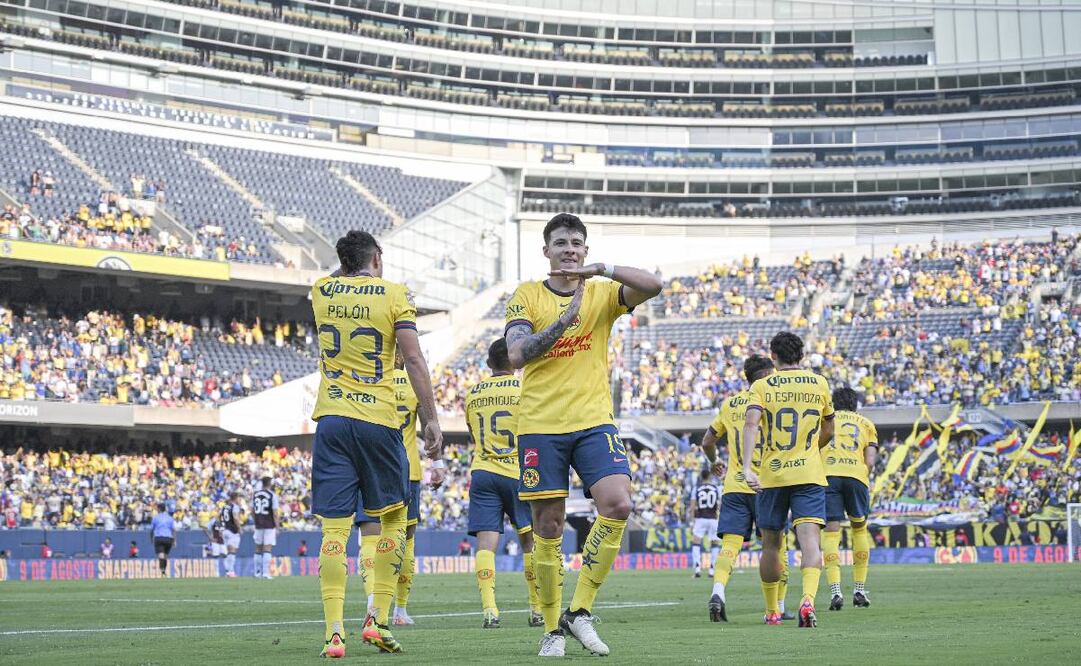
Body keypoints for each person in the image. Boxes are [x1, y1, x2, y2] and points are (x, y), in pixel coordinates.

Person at [504, 213, 662, 657]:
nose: (569, 249)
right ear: (546, 251)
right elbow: (516, 354)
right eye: (560, 242)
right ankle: (553, 629)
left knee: (619, 503)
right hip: (540, 424)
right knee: (548, 527)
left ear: (586, 251)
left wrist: (604, 271)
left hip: (594, 420)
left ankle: (580, 611)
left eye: (576, 242)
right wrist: (563, 321)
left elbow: (653, 285)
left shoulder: (602, 292)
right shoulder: (527, 295)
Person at [310, 230, 442, 658]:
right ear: (378, 258)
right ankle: (377, 620)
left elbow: (337, 275)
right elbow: (415, 359)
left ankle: (333, 633)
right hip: (379, 421)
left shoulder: (322, 290)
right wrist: (430, 418)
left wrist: (347, 267)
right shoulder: (394, 295)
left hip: (331, 418)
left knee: (334, 528)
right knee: (394, 519)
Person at [742, 331, 834, 628]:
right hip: (808, 472)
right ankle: (808, 600)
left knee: (771, 544)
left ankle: (772, 612)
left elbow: (751, 423)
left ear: (774, 356)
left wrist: (747, 467)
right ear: (802, 356)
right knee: (810, 541)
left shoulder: (762, 385)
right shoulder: (819, 383)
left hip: (773, 473)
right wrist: (807, 451)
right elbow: (829, 430)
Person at [702, 355, 795, 622]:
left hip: (734, 485)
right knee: (777, 546)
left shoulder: (730, 404)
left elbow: (708, 441)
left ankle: (718, 591)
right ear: (766, 376)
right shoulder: (774, 399)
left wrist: (715, 461)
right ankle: (778, 606)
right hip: (767, 484)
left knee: (730, 546)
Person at [464, 338, 541, 629]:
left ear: (488, 364)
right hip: (517, 472)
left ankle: (489, 611)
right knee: (529, 543)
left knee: (486, 545)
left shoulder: (473, 393)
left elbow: (472, 433)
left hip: (483, 471)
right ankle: (535, 610)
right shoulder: (525, 389)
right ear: (513, 359)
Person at [821, 387, 877, 611]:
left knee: (832, 533)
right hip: (856, 476)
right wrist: (863, 477)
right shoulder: (866, 424)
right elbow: (870, 461)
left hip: (828, 476)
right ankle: (859, 589)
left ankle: (835, 591)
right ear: (855, 405)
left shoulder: (825, 420)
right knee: (859, 530)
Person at [687, 469, 721, 579]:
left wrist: (692, 521)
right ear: (710, 476)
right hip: (713, 519)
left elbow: (692, 507)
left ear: (701, 477)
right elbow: (719, 506)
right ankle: (712, 570)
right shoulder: (716, 489)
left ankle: (697, 569)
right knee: (715, 543)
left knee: (696, 542)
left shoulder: (696, 489)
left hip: (700, 518)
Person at [252, 476, 279, 579]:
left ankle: (257, 572)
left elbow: (252, 510)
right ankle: (265, 573)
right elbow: (275, 513)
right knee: (267, 548)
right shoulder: (272, 495)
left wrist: (256, 521)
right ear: (269, 483)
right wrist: (277, 526)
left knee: (258, 548)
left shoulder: (255, 495)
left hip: (258, 524)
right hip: (269, 524)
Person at [219, 492, 242, 578]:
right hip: (233, 530)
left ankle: (228, 571)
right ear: (235, 498)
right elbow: (235, 518)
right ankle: (230, 571)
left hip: (225, 530)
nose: (239, 500)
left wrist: (221, 529)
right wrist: (239, 528)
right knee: (232, 552)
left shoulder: (224, 507)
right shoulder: (234, 507)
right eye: (239, 498)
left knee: (228, 552)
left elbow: (220, 518)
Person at [150, 502, 176, 578]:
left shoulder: (156, 518)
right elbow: (174, 530)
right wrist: (174, 541)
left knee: (161, 555)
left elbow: (151, 530)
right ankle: (164, 572)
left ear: (158, 509)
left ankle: (163, 572)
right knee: (166, 556)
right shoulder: (170, 518)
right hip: (168, 538)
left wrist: (151, 538)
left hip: (159, 537)